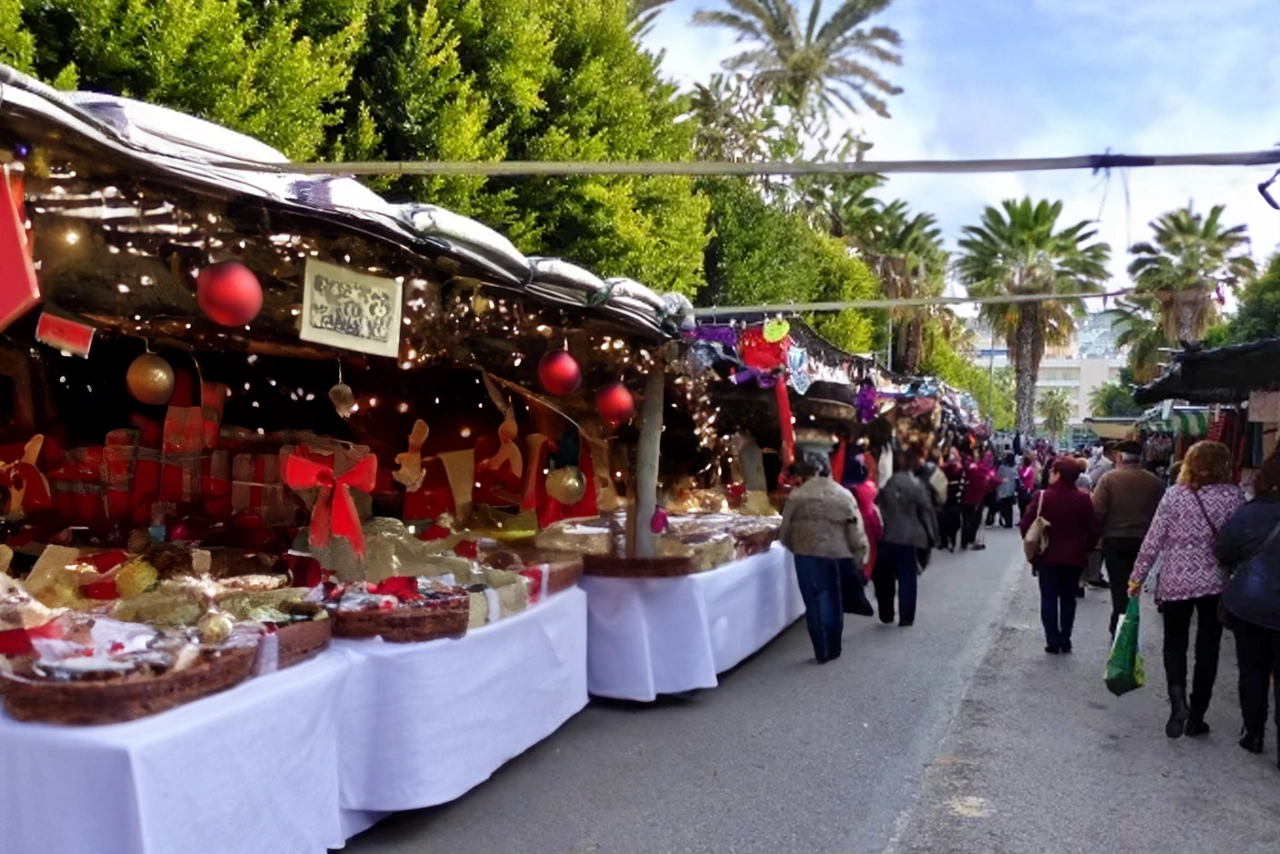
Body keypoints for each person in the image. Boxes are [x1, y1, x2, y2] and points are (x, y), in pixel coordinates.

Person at [1129, 441, 1246, 739]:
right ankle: (1197, 716)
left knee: (1175, 644)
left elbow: (1153, 540)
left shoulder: (1174, 496)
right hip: (1215, 583)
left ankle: (1177, 704)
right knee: (1208, 648)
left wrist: (1137, 578)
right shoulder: (1234, 497)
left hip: (1176, 581)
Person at [1214, 449, 1280, 764]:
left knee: (1252, 671)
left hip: (1251, 606)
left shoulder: (1248, 513)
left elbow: (1223, 551)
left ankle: (1253, 733)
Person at [780, 455, 870, 663]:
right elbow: (855, 530)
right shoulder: (843, 495)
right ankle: (834, 647)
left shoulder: (797, 496)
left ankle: (821, 650)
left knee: (813, 600)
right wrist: (860, 554)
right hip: (837, 553)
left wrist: (795, 547)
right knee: (833, 598)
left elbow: (785, 531)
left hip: (806, 553)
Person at [1020, 458, 1099, 654]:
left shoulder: (1042, 496)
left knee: (1048, 598)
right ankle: (1066, 638)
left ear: (1057, 474)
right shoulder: (1082, 499)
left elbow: (1025, 524)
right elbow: (1093, 530)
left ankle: (1052, 640)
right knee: (1068, 599)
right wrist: (1084, 548)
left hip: (1046, 557)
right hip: (1073, 558)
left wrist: (1035, 545)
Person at [1093, 441, 1165, 634]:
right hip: (1145, 541)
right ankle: (1128, 619)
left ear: (1119, 458)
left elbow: (1097, 511)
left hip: (1115, 540)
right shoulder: (1155, 482)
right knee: (1135, 584)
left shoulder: (1109, 479)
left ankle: (1121, 622)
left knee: (1118, 584)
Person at [874, 449, 938, 628]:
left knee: (884, 575)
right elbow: (926, 511)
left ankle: (886, 612)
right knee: (907, 576)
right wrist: (932, 535)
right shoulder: (916, 485)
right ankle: (906, 616)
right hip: (908, 536)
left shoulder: (885, 486)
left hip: (886, 535)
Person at [960, 452, 988, 550]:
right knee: (974, 521)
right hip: (974, 499)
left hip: (964, 498)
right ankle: (970, 540)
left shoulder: (964, 469)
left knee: (966, 521)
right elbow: (982, 486)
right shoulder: (977, 470)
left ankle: (964, 541)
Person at [939, 450, 965, 551]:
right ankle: (952, 540)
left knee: (944, 521)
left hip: (945, 498)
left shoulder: (942, 468)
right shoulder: (959, 468)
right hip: (954, 499)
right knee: (954, 521)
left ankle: (945, 541)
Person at [994, 453, 1017, 528]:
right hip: (1011, 490)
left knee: (1004, 507)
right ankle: (1009, 522)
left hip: (1003, 490)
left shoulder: (1002, 467)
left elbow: (998, 477)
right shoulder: (1014, 467)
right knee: (1009, 508)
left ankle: (1006, 521)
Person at [1016, 453, 1037, 520]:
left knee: (1025, 505)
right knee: (1021, 505)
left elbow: (1023, 476)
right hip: (1022, 489)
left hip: (1027, 489)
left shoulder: (1029, 469)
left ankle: (1025, 519)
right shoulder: (1024, 468)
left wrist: (1019, 470)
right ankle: (1022, 518)